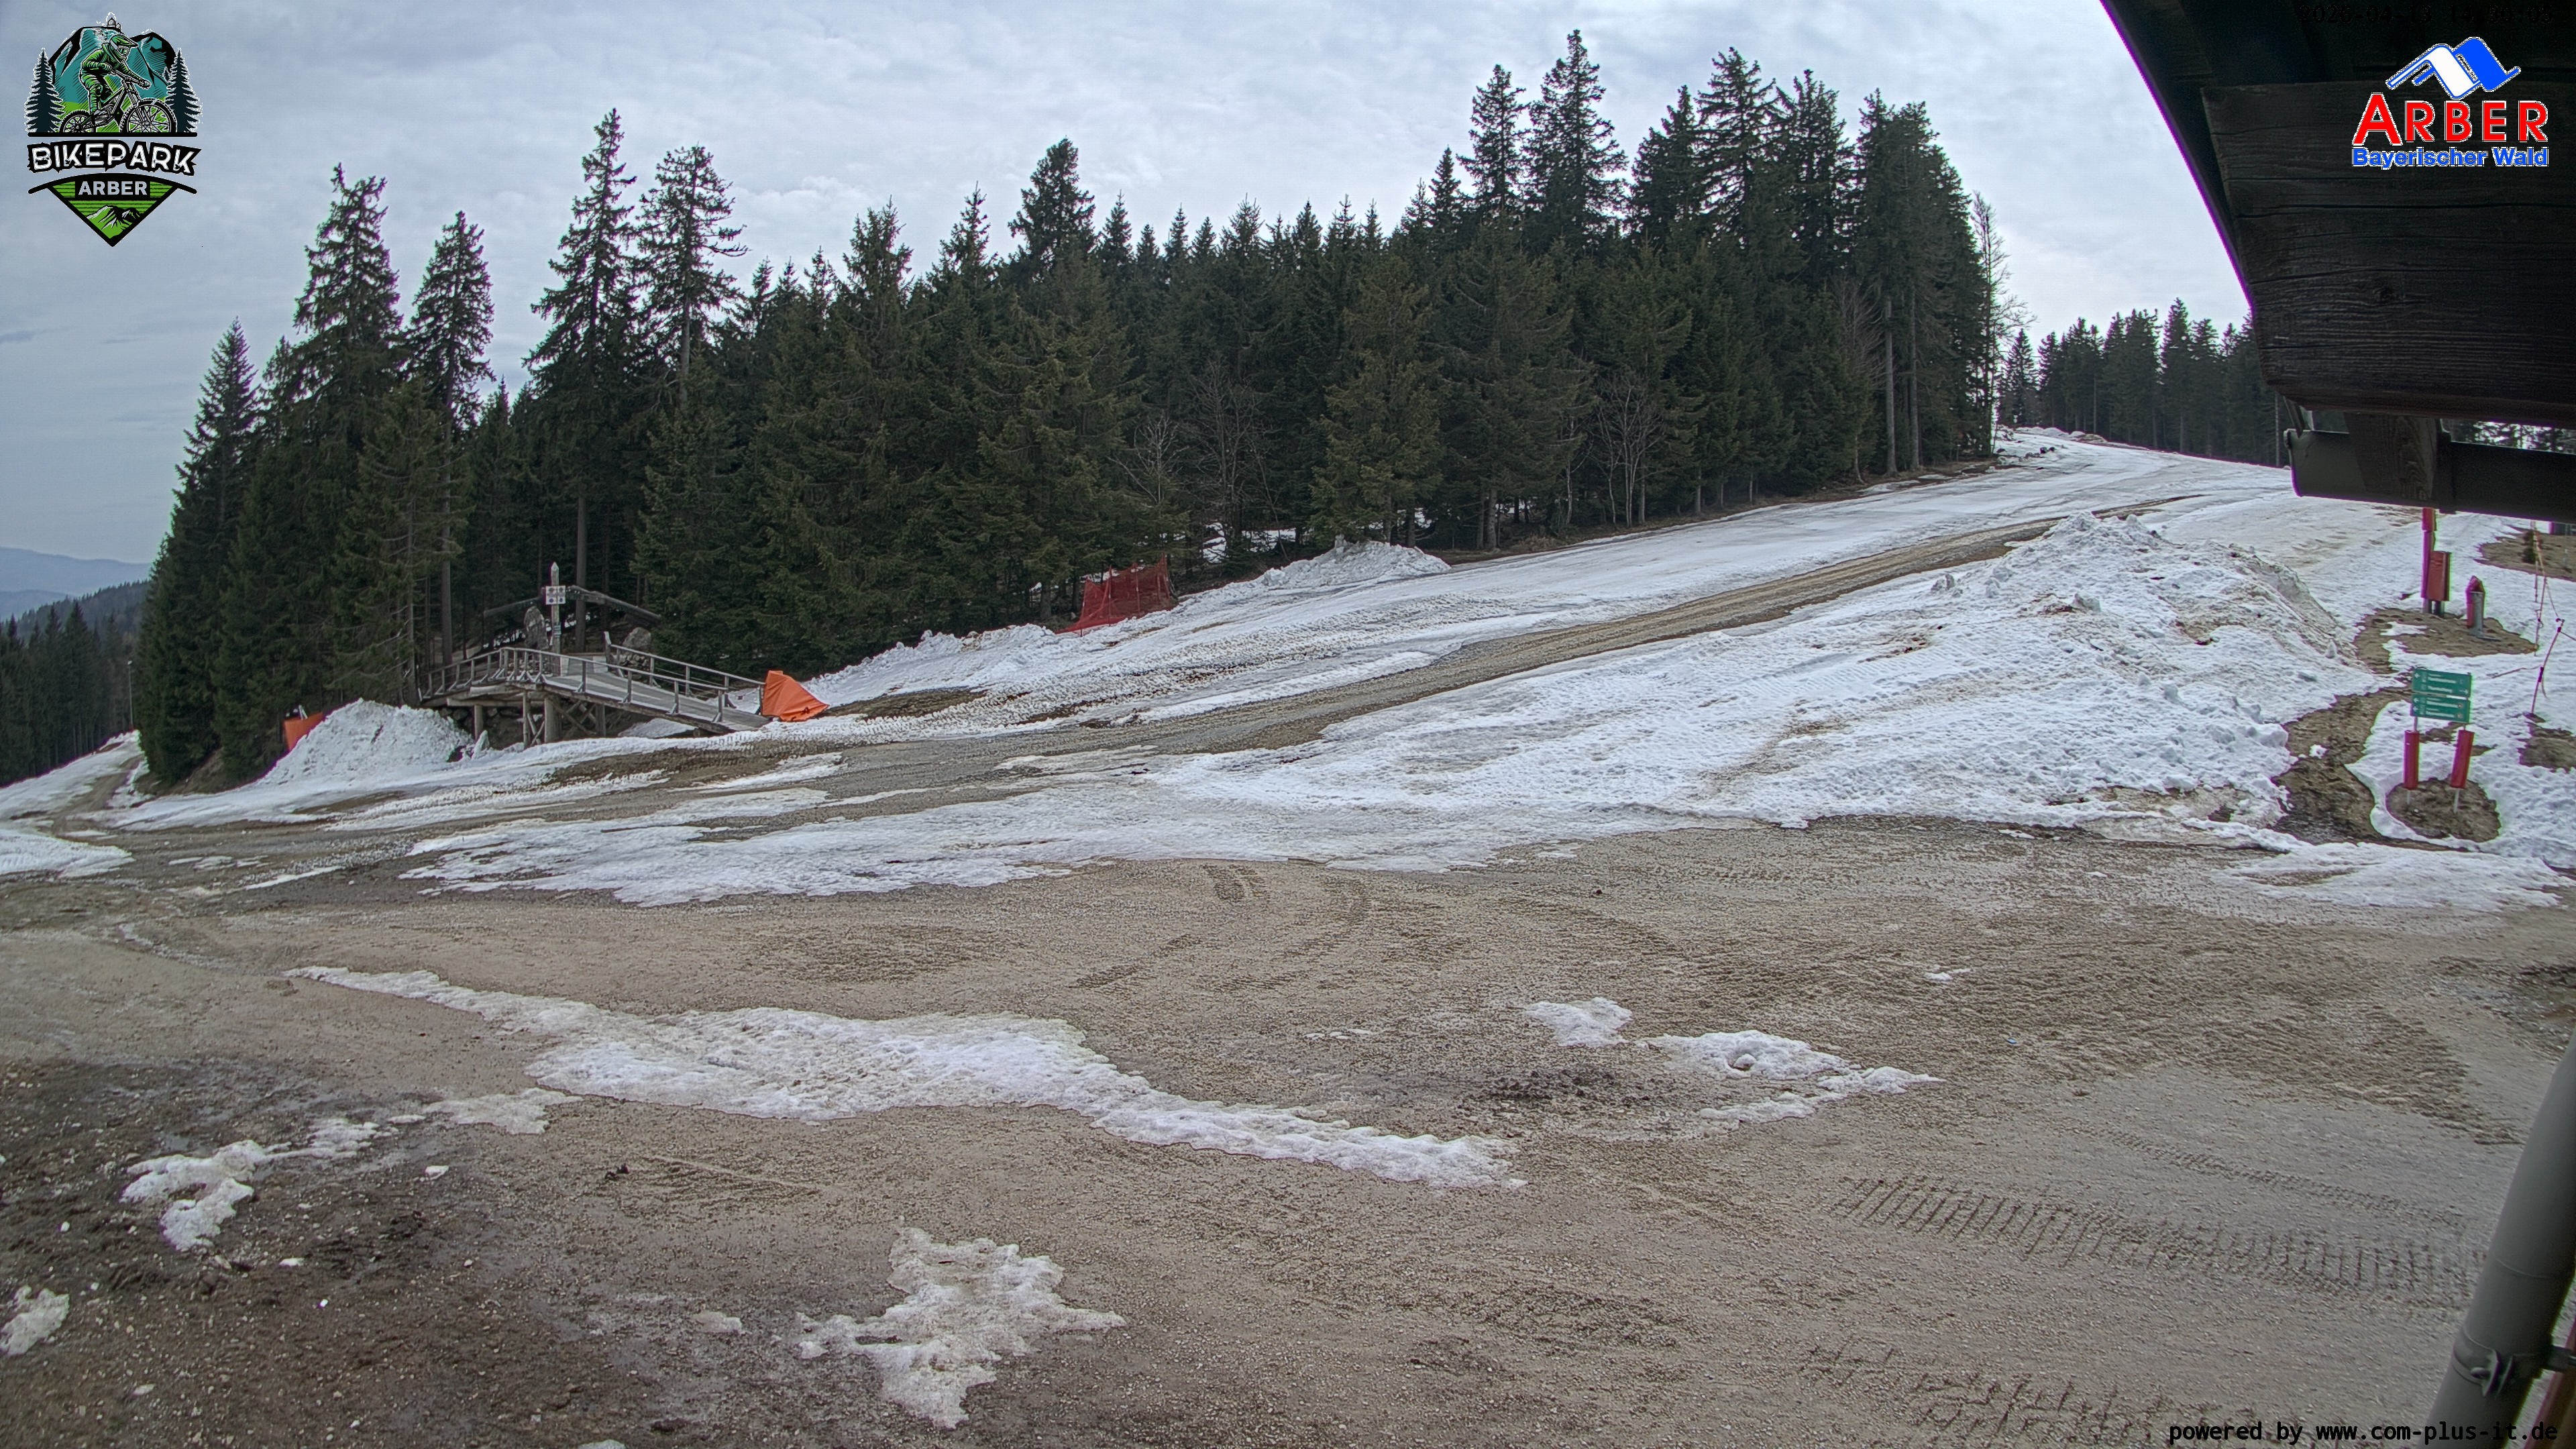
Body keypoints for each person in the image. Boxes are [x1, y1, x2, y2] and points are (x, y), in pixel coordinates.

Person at [78, 16, 148, 127]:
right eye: (122, 50)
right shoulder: (102, 53)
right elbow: (85, 64)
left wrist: (140, 81)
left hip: (100, 77)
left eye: (127, 52)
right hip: (88, 74)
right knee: (97, 87)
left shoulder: (118, 62)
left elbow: (128, 72)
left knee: (114, 106)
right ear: (114, 47)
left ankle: (123, 127)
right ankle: (94, 112)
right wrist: (101, 65)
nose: (125, 54)